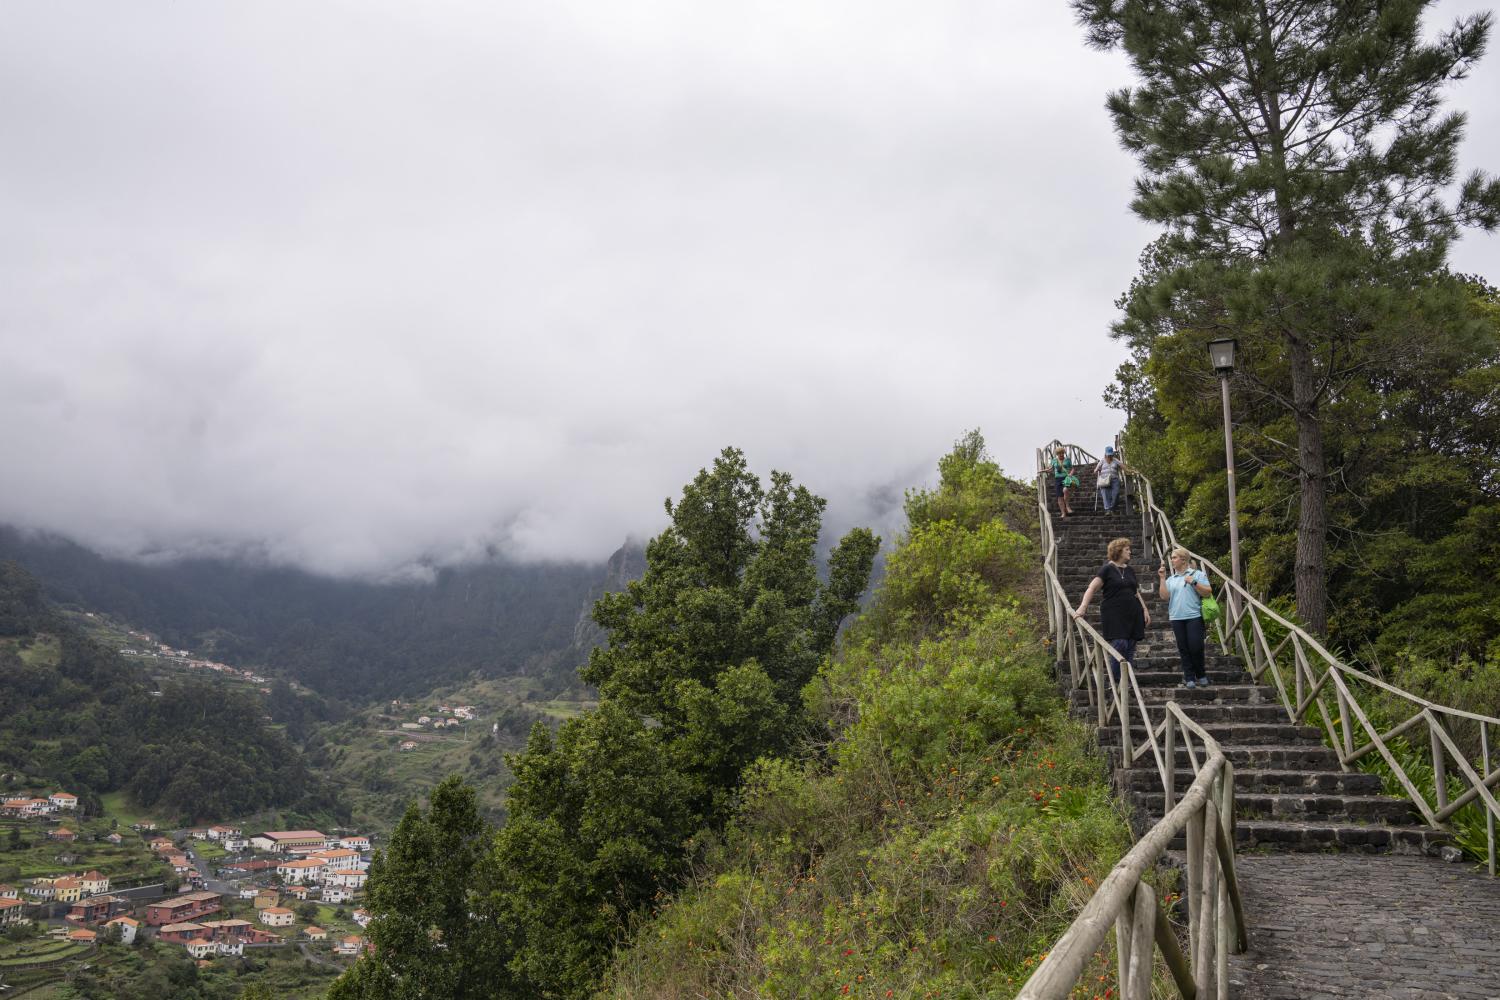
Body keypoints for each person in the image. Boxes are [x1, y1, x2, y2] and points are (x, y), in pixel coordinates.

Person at [1071, 536, 1150, 689]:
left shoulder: (1130, 570)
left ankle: (1125, 683)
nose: (1130, 552)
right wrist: (1082, 607)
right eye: (1127, 550)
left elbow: (1135, 592)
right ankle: (1114, 682)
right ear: (1118, 551)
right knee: (1120, 644)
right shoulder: (1107, 569)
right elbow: (1092, 588)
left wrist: (1145, 609)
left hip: (1133, 612)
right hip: (1114, 613)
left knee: (1131, 646)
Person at [1158, 546, 1213, 688]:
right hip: (1176, 617)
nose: (1172, 560)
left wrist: (1193, 582)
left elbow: (1207, 592)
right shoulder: (1172, 578)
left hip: (1194, 616)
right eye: (1172, 558)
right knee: (1183, 648)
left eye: (1174, 557)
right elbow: (1164, 596)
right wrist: (1162, 579)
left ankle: (1200, 674)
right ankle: (1189, 677)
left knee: (1196, 647)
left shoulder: (1197, 574)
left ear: (1183, 560)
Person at [1095, 446, 1124, 513]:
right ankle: (1108, 510)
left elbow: (1123, 466)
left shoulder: (1115, 460)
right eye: (1108, 455)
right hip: (1104, 480)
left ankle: (1112, 508)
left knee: (1116, 494)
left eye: (1110, 455)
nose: (1109, 456)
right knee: (1105, 494)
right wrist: (1096, 470)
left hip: (1114, 480)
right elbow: (1096, 469)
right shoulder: (1102, 461)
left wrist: (1129, 470)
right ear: (1105, 454)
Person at [1050, 446, 1074, 519]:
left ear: (1064, 453)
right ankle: (1063, 513)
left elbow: (1072, 468)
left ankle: (1067, 506)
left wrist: (1070, 474)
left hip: (1066, 477)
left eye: (1062, 453)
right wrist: (1043, 471)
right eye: (1059, 453)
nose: (1061, 454)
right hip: (1057, 479)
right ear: (1057, 454)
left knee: (1065, 490)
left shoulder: (1067, 460)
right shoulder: (1054, 460)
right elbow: (1051, 469)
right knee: (1059, 497)